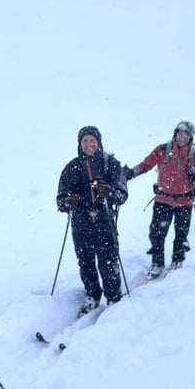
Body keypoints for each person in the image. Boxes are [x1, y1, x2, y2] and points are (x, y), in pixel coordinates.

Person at [56, 126, 129, 316]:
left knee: (108, 261)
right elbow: (61, 198)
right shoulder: (72, 167)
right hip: (81, 223)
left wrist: (110, 192)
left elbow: (122, 194)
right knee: (86, 262)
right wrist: (67, 202)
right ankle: (92, 295)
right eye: (85, 141)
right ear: (80, 144)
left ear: (99, 141)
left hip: (105, 220)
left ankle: (114, 297)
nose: (89, 144)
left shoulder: (110, 164)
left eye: (92, 140)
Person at [125, 121, 195, 278]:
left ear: (191, 137)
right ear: (175, 134)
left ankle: (177, 260)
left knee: (181, 235)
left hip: (185, 201)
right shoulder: (163, 149)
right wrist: (129, 173)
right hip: (164, 199)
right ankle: (157, 263)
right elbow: (146, 164)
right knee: (156, 233)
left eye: (185, 134)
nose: (181, 137)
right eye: (179, 134)